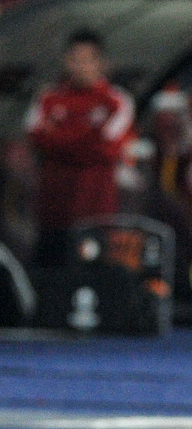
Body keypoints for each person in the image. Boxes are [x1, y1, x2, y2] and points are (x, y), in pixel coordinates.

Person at [25, 30, 134, 266]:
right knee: (49, 278)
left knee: (94, 279)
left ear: (101, 63)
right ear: (65, 61)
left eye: (87, 59)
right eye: (74, 59)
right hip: (53, 215)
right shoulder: (48, 98)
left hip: (97, 216)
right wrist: (87, 136)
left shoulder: (116, 101)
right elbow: (36, 139)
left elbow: (106, 149)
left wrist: (60, 139)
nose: (80, 66)